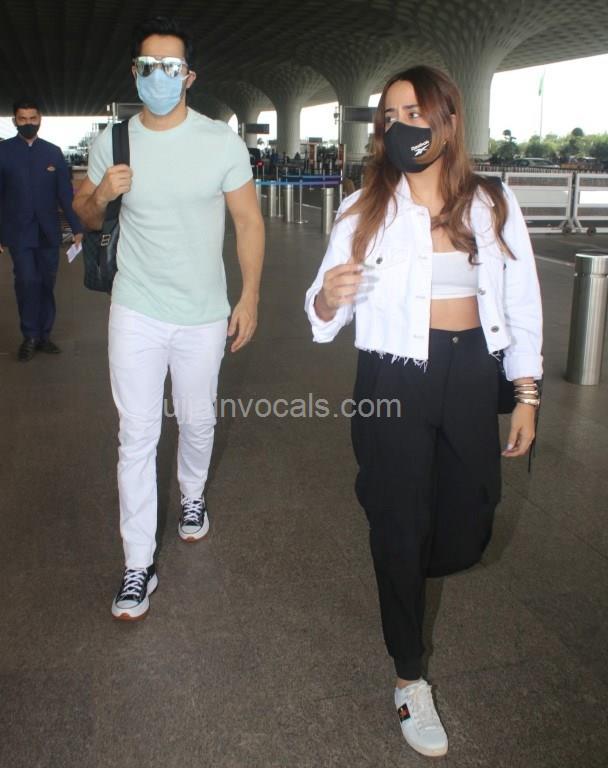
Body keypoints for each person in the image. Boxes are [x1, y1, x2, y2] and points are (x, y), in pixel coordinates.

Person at [305, 66, 542, 758]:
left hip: (471, 374)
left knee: (472, 515)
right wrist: (329, 296)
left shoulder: (491, 201)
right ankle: (410, 677)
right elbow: (319, 316)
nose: (402, 125)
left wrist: (525, 393)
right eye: (390, 115)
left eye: (415, 111)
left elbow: (522, 299)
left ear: (448, 119)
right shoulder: (363, 209)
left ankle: (405, 553)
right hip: (392, 377)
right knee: (401, 529)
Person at [73, 16, 264, 621]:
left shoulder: (219, 142)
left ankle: (192, 495)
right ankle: (137, 564)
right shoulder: (113, 142)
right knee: (136, 435)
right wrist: (102, 193)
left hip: (203, 312)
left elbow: (248, 222)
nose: (159, 76)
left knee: (198, 420)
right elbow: (86, 216)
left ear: (188, 76)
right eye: (148, 66)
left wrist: (250, 296)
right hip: (135, 307)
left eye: (170, 67)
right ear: (135, 72)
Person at [0, 100, 83, 361]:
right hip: (18, 233)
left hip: (48, 232)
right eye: (22, 119)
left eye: (32, 118)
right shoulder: (3, 152)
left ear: (40, 119)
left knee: (47, 283)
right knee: (27, 282)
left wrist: (77, 227)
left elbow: (65, 195)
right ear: (14, 121)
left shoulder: (53, 153)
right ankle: (30, 336)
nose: (28, 123)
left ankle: (44, 335)